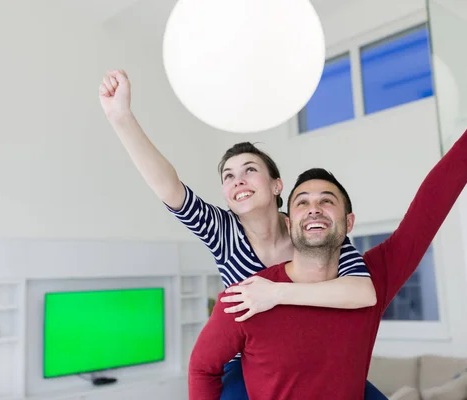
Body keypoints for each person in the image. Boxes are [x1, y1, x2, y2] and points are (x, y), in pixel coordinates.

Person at [187, 48, 467, 399]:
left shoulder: (372, 279)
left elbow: (430, 206)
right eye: (302, 202)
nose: (314, 208)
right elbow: (203, 368)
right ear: (289, 223)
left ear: (348, 222)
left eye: (327, 201)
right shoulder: (249, 295)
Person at [99, 54, 386, 398]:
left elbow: (361, 291)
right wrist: (121, 117)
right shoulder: (223, 230)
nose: (238, 180)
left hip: (313, 353)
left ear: (277, 185)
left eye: (250, 169)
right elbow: (168, 186)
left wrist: (278, 294)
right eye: (229, 176)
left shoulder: (310, 227)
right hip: (249, 361)